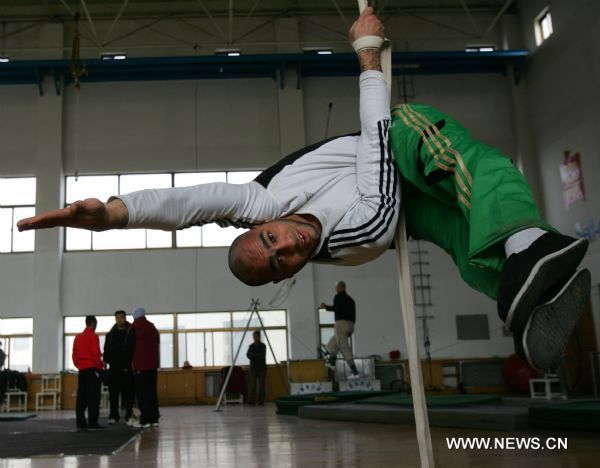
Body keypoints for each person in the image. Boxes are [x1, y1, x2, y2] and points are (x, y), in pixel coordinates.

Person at [17, 8, 590, 372]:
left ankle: (531, 247)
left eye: (268, 239)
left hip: (405, 139)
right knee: (469, 251)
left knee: (457, 159)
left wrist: (113, 213)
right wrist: (367, 56)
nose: (283, 243)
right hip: (388, 181)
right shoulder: (362, 231)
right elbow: (372, 141)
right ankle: (535, 292)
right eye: (279, 260)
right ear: (288, 273)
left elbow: (190, 202)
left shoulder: (264, 201)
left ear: (259, 225)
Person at [126, 307, 160, 428]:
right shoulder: (152, 328)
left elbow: (128, 349)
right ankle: (154, 419)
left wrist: (128, 365)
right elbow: (157, 343)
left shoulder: (134, 328)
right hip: (153, 367)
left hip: (140, 367)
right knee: (152, 393)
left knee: (142, 394)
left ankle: (145, 420)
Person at [320, 281, 360, 379]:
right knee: (334, 342)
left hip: (341, 324)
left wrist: (326, 307)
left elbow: (336, 308)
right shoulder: (351, 300)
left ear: (339, 287)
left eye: (336, 287)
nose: (335, 289)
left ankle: (355, 372)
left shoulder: (338, 297)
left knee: (343, 347)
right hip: (350, 326)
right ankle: (332, 362)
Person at [72, 315, 104, 430]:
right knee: (93, 397)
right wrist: (100, 367)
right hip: (92, 370)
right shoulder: (93, 336)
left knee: (82, 396)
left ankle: (80, 422)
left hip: (82, 370)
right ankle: (92, 422)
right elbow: (96, 354)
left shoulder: (78, 337)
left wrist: (79, 365)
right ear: (94, 324)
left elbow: (74, 355)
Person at [103, 310, 134, 425]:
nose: (119, 320)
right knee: (113, 394)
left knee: (128, 393)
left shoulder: (131, 332)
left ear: (125, 318)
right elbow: (106, 350)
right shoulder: (110, 334)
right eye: (117, 318)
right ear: (115, 319)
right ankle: (113, 415)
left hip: (127, 368)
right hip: (114, 368)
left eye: (121, 317)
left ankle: (129, 415)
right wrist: (105, 361)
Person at [246, 330, 267, 405]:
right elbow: (248, 355)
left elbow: (262, 355)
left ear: (259, 337)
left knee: (262, 385)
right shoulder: (251, 346)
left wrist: (253, 355)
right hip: (253, 368)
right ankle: (251, 401)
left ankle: (261, 401)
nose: (255, 338)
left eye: (256, 336)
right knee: (252, 385)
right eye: (254, 336)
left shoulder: (263, 346)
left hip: (261, 368)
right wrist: (255, 355)